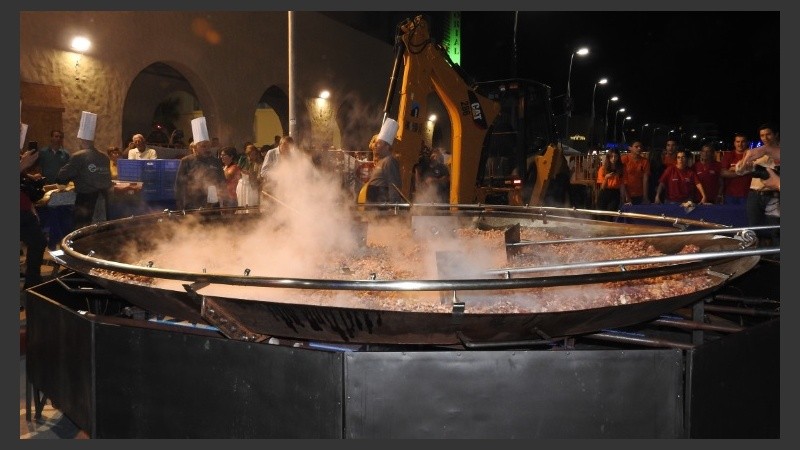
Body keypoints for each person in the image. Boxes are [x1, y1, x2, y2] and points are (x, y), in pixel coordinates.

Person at [55, 111, 113, 230]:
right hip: (104, 199)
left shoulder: (78, 156)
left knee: (82, 232)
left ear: (81, 140)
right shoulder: (104, 157)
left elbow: (61, 177)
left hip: (86, 201)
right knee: (100, 230)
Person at [735, 123, 780, 246]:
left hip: (774, 196)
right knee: (753, 229)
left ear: (776, 134)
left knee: (776, 230)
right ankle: (755, 258)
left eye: (768, 134)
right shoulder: (756, 152)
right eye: (762, 135)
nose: (765, 138)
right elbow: (739, 171)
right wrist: (744, 164)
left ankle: (778, 258)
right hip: (754, 195)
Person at [175, 117, 226, 210]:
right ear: (195, 147)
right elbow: (179, 186)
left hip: (213, 205)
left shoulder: (216, 161)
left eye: (208, 146)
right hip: (192, 205)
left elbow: (222, 182)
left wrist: (225, 200)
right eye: (203, 146)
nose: (207, 149)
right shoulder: (186, 161)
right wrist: (180, 205)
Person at [20, 140, 47, 294]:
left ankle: (32, 284)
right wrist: (22, 164)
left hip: (22, 209)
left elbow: (20, 183)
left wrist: (31, 207)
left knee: (39, 241)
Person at [363, 118, 402, 203]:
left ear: (387, 147)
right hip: (374, 208)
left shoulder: (390, 161)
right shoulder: (381, 161)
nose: (375, 145)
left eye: (379, 143)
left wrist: (393, 207)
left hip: (381, 209)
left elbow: (394, 186)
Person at [720, 133, 753, 205]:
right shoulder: (728, 155)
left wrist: (734, 169)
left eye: (743, 141)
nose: (740, 144)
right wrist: (744, 171)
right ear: (734, 143)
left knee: (745, 216)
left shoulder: (752, 156)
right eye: (738, 142)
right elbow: (723, 173)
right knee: (730, 216)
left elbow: (754, 170)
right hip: (730, 194)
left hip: (747, 194)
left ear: (747, 142)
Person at [621, 140, 650, 205]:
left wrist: (645, 196)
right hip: (626, 192)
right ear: (630, 148)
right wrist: (626, 195)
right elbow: (622, 178)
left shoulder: (645, 161)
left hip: (639, 193)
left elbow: (645, 179)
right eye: (636, 147)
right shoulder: (624, 159)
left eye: (640, 147)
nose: (639, 148)